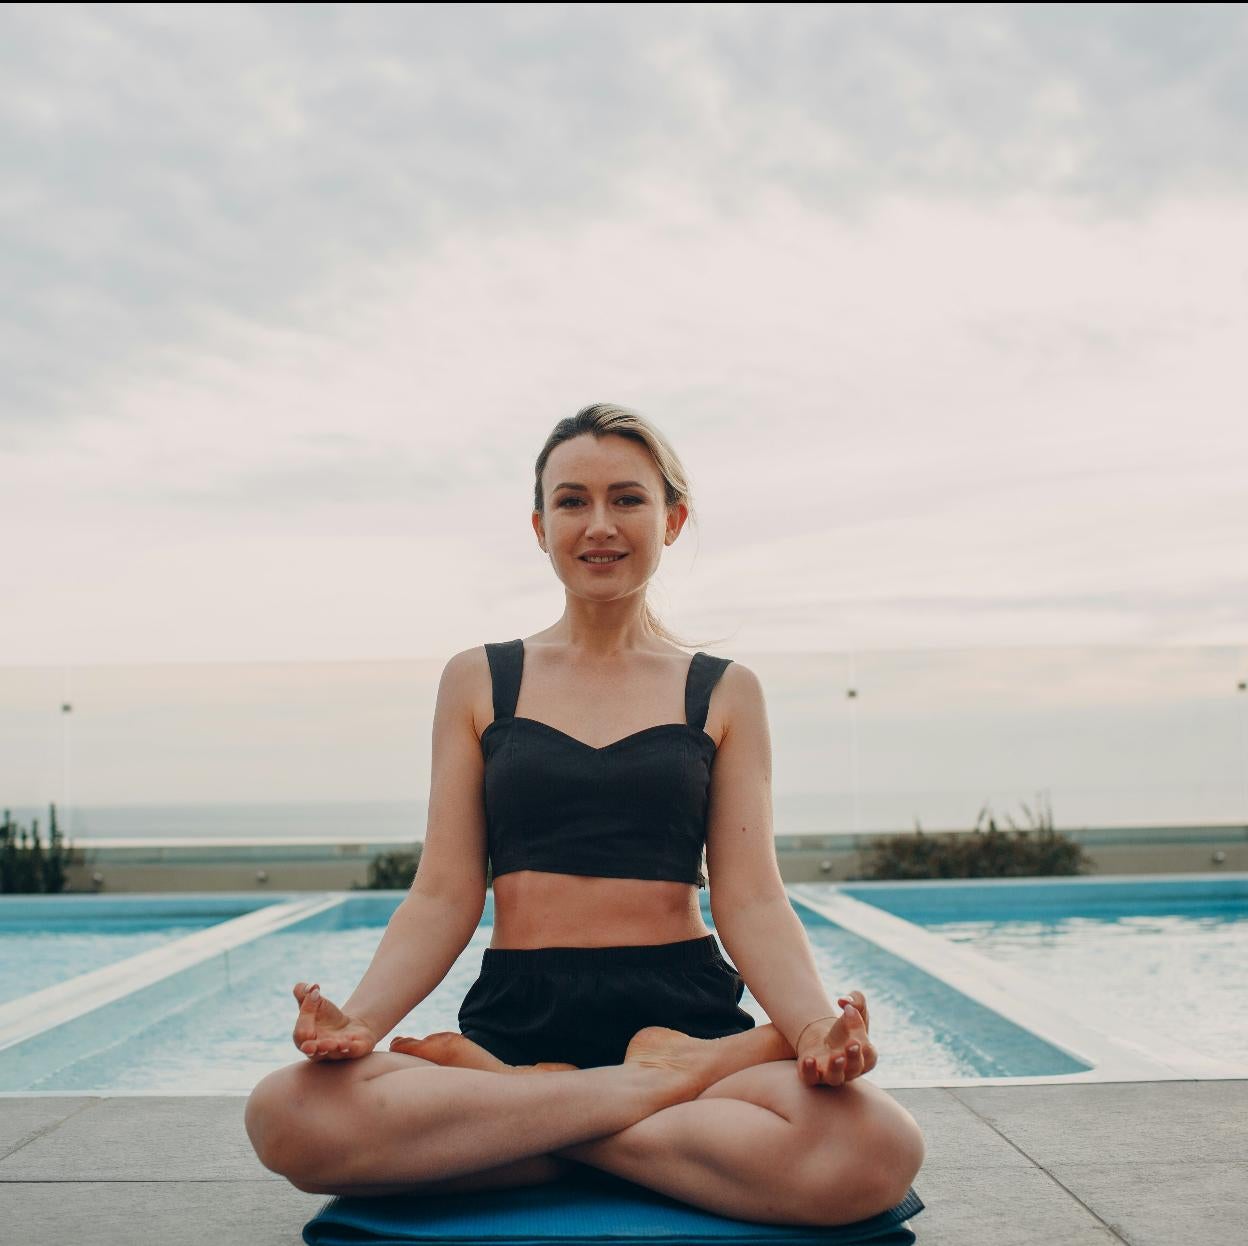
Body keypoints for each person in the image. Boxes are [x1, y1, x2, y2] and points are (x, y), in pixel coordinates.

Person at [245, 403, 925, 1227]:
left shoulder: (724, 690)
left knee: (876, 1150)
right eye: (572, 501)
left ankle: (524, 1119)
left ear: (671, 519)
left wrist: (812, 1023)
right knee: (287, 1116)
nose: (598, 524)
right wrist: (360, 1021)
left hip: (685, 1016)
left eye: (627, 499)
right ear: (540, 526)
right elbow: (442, 894)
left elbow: (751, 898)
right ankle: (646, 1095)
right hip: (522, 1015)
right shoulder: (478, 678)